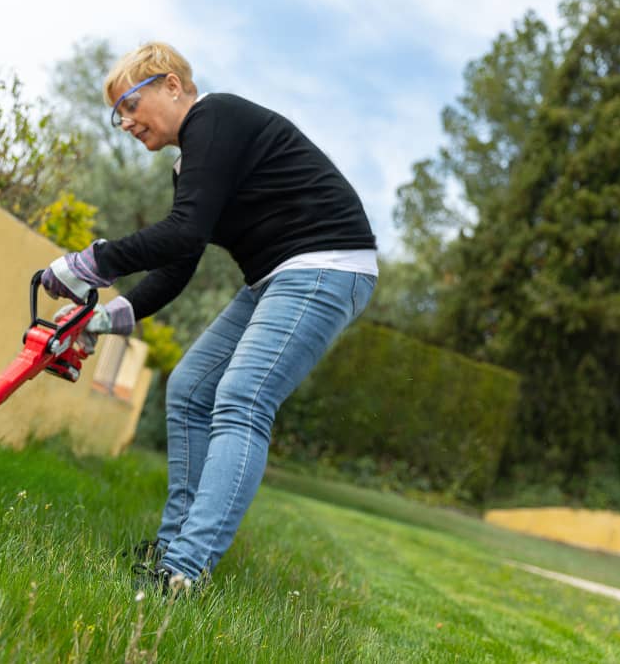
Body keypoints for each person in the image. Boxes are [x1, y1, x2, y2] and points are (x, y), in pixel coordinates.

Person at [42, 42, 377, 592]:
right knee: (191, 388)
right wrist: (98, 320)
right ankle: (172, 548)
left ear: (172, 86)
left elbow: (183, 231)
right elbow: (178, 264)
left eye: (129, 104)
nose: (124, 122)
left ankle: (183, 571)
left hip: (325, 266)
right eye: (117, 114)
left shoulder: (214, 117)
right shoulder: (192, 162)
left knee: (243, 397)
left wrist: (90, 262)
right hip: (276, 276)